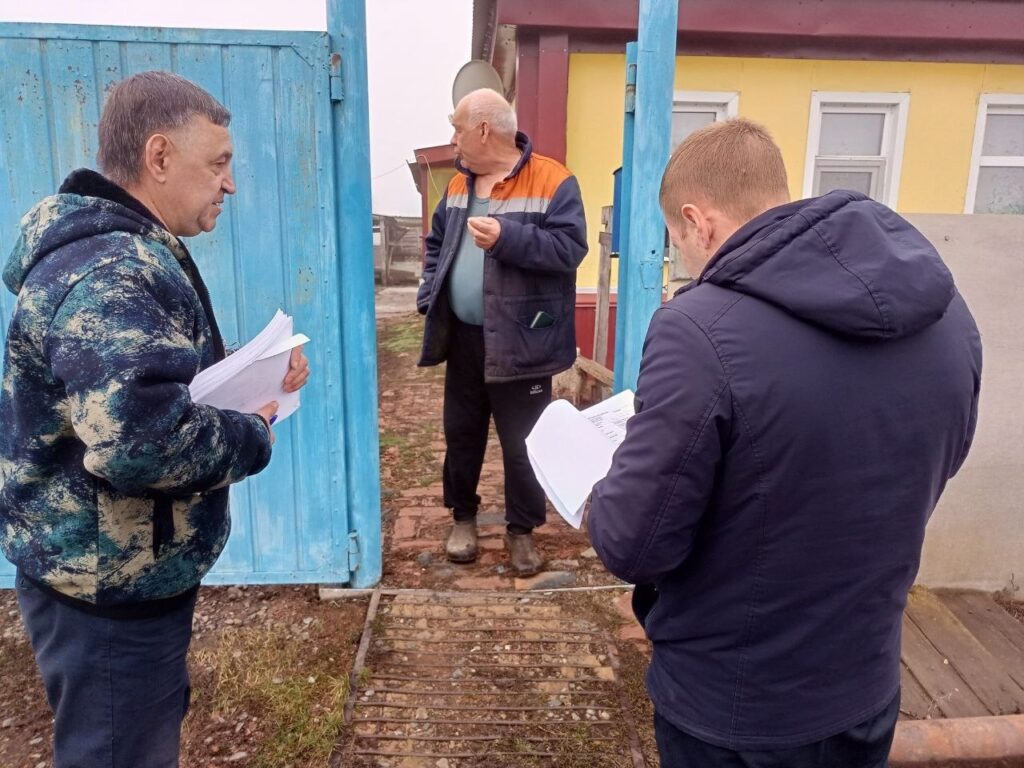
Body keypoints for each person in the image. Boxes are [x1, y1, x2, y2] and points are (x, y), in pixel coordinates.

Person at [588, 119, 982, 768]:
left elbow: (636, 543)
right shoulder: (945, 314)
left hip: (736, 710)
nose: (682, 260)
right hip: (866, 689)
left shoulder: (698, 330)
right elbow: (941, 460)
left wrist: (597, 494)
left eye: (675, 243)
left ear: (697, 222)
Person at [0, 71, 310, 768]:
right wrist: (252, 432)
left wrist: (255, 378)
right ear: (160, 156)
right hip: (107, 592)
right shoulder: (114, 270)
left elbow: (139, 392)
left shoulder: (119, 253)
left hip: (112, 576)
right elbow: (140, 443)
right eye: (219, 163)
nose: (230, 184)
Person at [416, 88, 587, 576]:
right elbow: (436, 243)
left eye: (457, 129)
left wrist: (508, 237)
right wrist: (430, 293)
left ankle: (521, 531)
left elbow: (570, 249)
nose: (453, 140)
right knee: (461, 434)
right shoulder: (457, 186)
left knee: (523, 443)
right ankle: (463, 519)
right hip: (465, 338)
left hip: (523, 339)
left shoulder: (554, 180)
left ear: (484, 130)